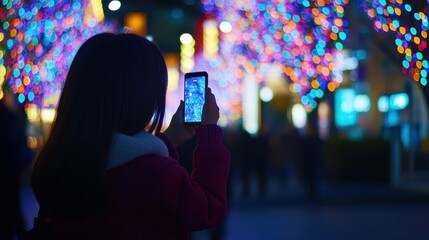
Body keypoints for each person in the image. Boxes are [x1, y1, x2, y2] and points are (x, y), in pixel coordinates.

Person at [29, 33, 231, 240]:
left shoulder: (60, 163)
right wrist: (209, 137)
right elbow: (208, 208)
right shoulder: (157, 175)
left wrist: (171, 138)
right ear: (141, 96)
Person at [0, 85, 33, 240]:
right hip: (11, 169)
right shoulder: (10, 116)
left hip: (7, 169)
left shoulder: (8, 115)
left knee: (10, 208)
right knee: (12, 207)